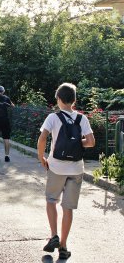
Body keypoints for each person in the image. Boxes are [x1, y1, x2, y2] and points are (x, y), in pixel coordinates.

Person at [37, 83, 95, 260]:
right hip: (76, 168)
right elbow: (91, 142)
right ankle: (63, 245)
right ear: (74, 100)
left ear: (58, 99)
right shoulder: (81, 119)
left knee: (51, 200)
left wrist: (42, 157)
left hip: (56, 166)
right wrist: (78, 143)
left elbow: (42, 138)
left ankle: (54, 235)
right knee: (68, 208)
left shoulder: (53, 118)